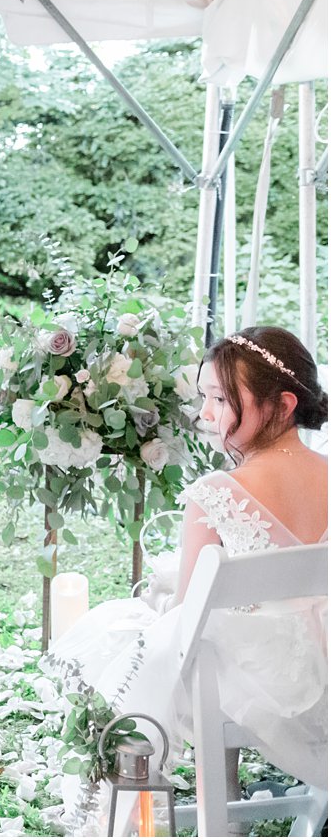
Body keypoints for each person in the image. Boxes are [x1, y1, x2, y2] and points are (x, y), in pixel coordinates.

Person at [51, 325, 328, 830]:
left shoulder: (217, 491)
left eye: (220, 399)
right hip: (324, 672)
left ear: (283, 405)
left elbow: (186, 614)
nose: (206, 414)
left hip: (261, 681)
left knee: (129, 635)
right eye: (205, 397)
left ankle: (127, 803)